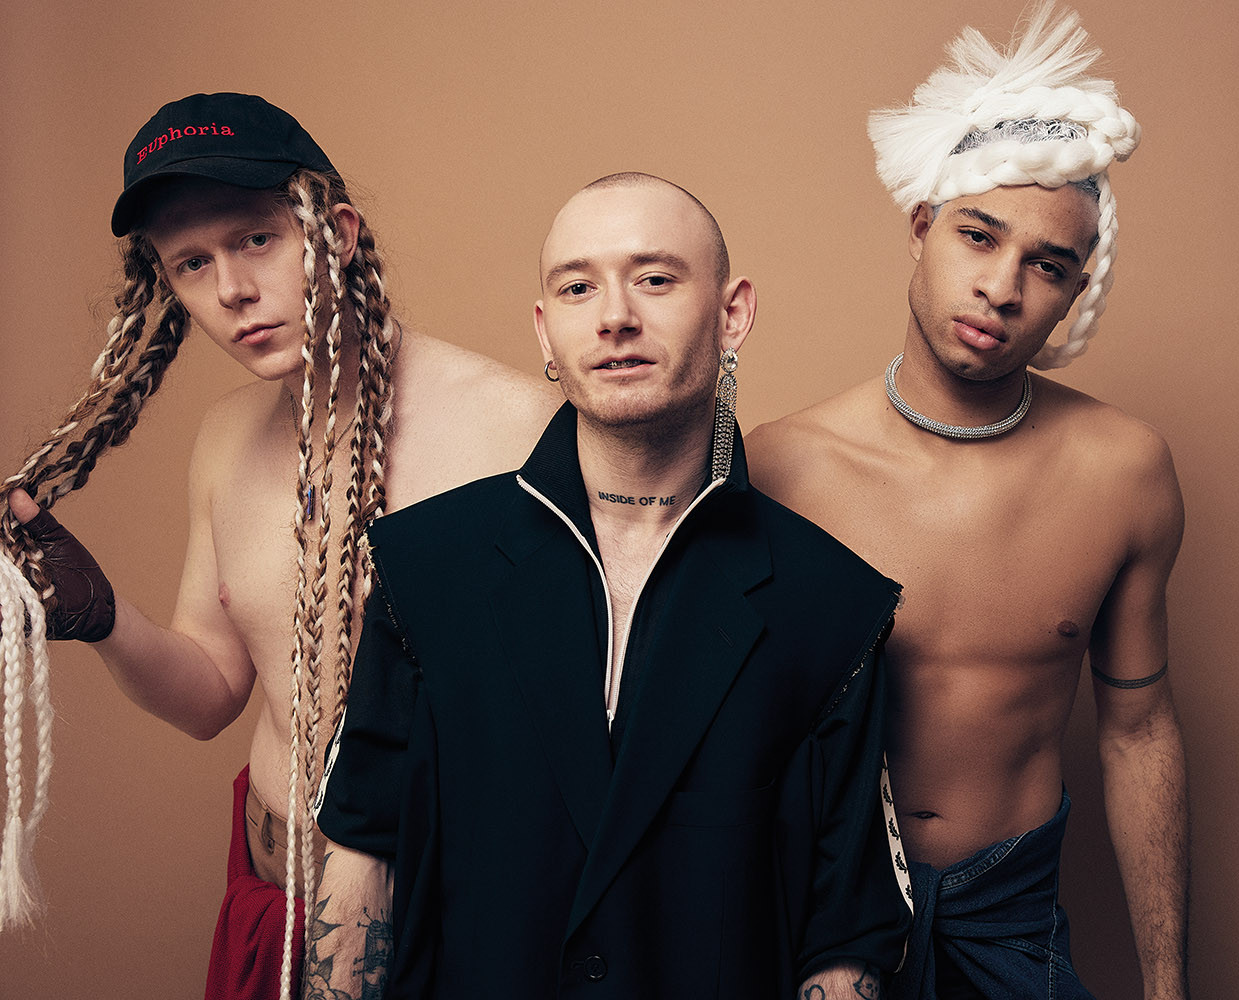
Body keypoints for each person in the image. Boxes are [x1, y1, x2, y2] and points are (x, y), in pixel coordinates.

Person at [0, 93, 555, 998]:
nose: (230, 291)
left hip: (456, 919)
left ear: (337, 232)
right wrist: (103, 619)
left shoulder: (519, 430)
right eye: (191, 263)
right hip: (270, 910)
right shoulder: (225, 437)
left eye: (256, 239)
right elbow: (211, 695)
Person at [310, 172, 910, 999]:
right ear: (545, 330)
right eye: (577, 287)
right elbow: (362, 864)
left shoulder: (834, 607)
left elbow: (843, 939)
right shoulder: (423, 567)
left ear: (732, 314)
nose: (615, 315)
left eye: (655, 279)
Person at [746, 6, 1188, 999]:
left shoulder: (1124, 472)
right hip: (820, 923)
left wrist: (1168, 986)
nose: (1000, 288)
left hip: (1012, 921)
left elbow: (1138, 729)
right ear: (921, 226)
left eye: (1047, 266)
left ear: (1073, 292)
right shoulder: (780, 467)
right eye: (978, 236)